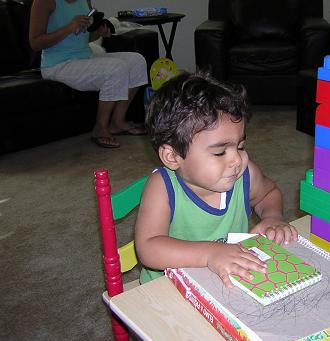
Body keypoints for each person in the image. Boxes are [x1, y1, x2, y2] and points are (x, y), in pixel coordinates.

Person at [135, 72, 298, 286]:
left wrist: (273, 217)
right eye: (220, 152)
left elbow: (268, 194)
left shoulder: (245, 173)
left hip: (228, 279)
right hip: (170, 288)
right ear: (173, 156)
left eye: (240, 146)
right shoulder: (162, 187)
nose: (236, 160)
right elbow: (149, 248)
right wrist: (210, 254)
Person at [29, 0, 148, 148]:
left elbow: (86, 36)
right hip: (57, 64)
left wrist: (98, 32)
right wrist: (68, 28)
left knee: (137, 61)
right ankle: (100, 128)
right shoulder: (43, 2)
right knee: (116, 67)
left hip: (84, 57)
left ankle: (117, 122)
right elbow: (35, 42)